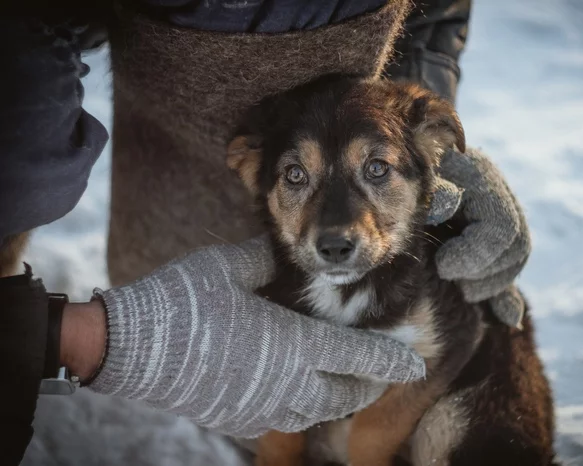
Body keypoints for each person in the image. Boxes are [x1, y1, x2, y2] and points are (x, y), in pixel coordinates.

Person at [0, 1, 531, 465]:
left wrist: (427, 137)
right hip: (169, 183)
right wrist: (80, 336)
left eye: (375, 170)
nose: (339, 226)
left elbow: (432, 10)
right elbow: (21, 30)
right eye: (298, 176)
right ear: (252, 169)